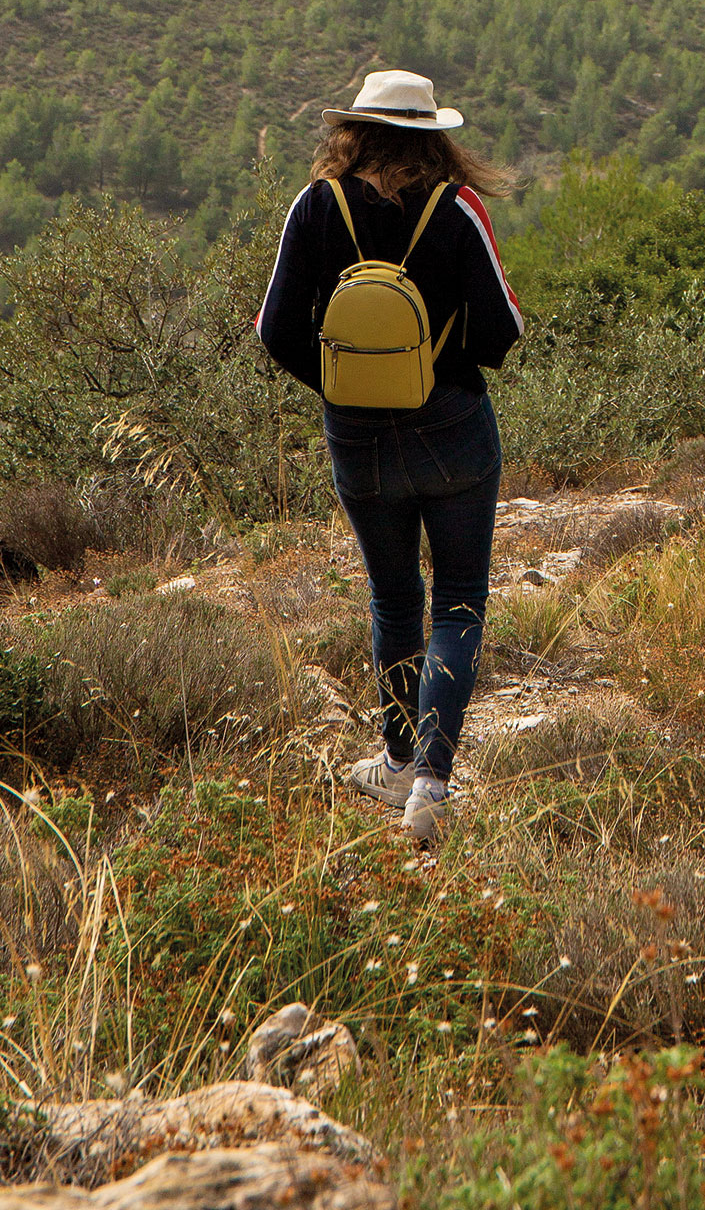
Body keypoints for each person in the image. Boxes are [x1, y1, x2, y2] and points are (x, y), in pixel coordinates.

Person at [256, 68, 522, 844]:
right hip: (451, 427)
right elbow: (502, 328)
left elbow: (275, 329)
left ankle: (398, 758)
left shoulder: (316, 207)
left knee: (394, 600)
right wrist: (440, 371)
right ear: (432, 134)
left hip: (356, 435)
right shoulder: (455, 209)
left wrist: (342, 385)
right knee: (460, 601)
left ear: (353, 131)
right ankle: (431, 786)